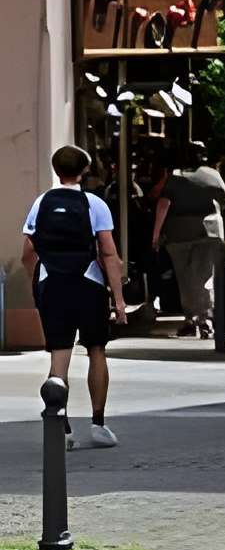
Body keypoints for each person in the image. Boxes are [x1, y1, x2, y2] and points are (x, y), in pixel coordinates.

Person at [21, 144, 126, 448]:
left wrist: (37, 285)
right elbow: (108, 253)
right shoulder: (94, 204)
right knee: (96, 350)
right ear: (84, 171)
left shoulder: (41, 202)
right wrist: (118, 300)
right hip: (88, 284)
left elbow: (28, 252)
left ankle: (62, 429)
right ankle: (98, 424)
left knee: (59, 356)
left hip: (52, 284)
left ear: (56, 170)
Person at [151, 140, 225, 338]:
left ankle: (193, 319)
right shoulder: (213, 175)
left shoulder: (176, 176)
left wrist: (156, 233)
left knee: (185, 278)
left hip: (179, 233)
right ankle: (204, 318)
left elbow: (163, 204)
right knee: (203, 275)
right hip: (209, 231)